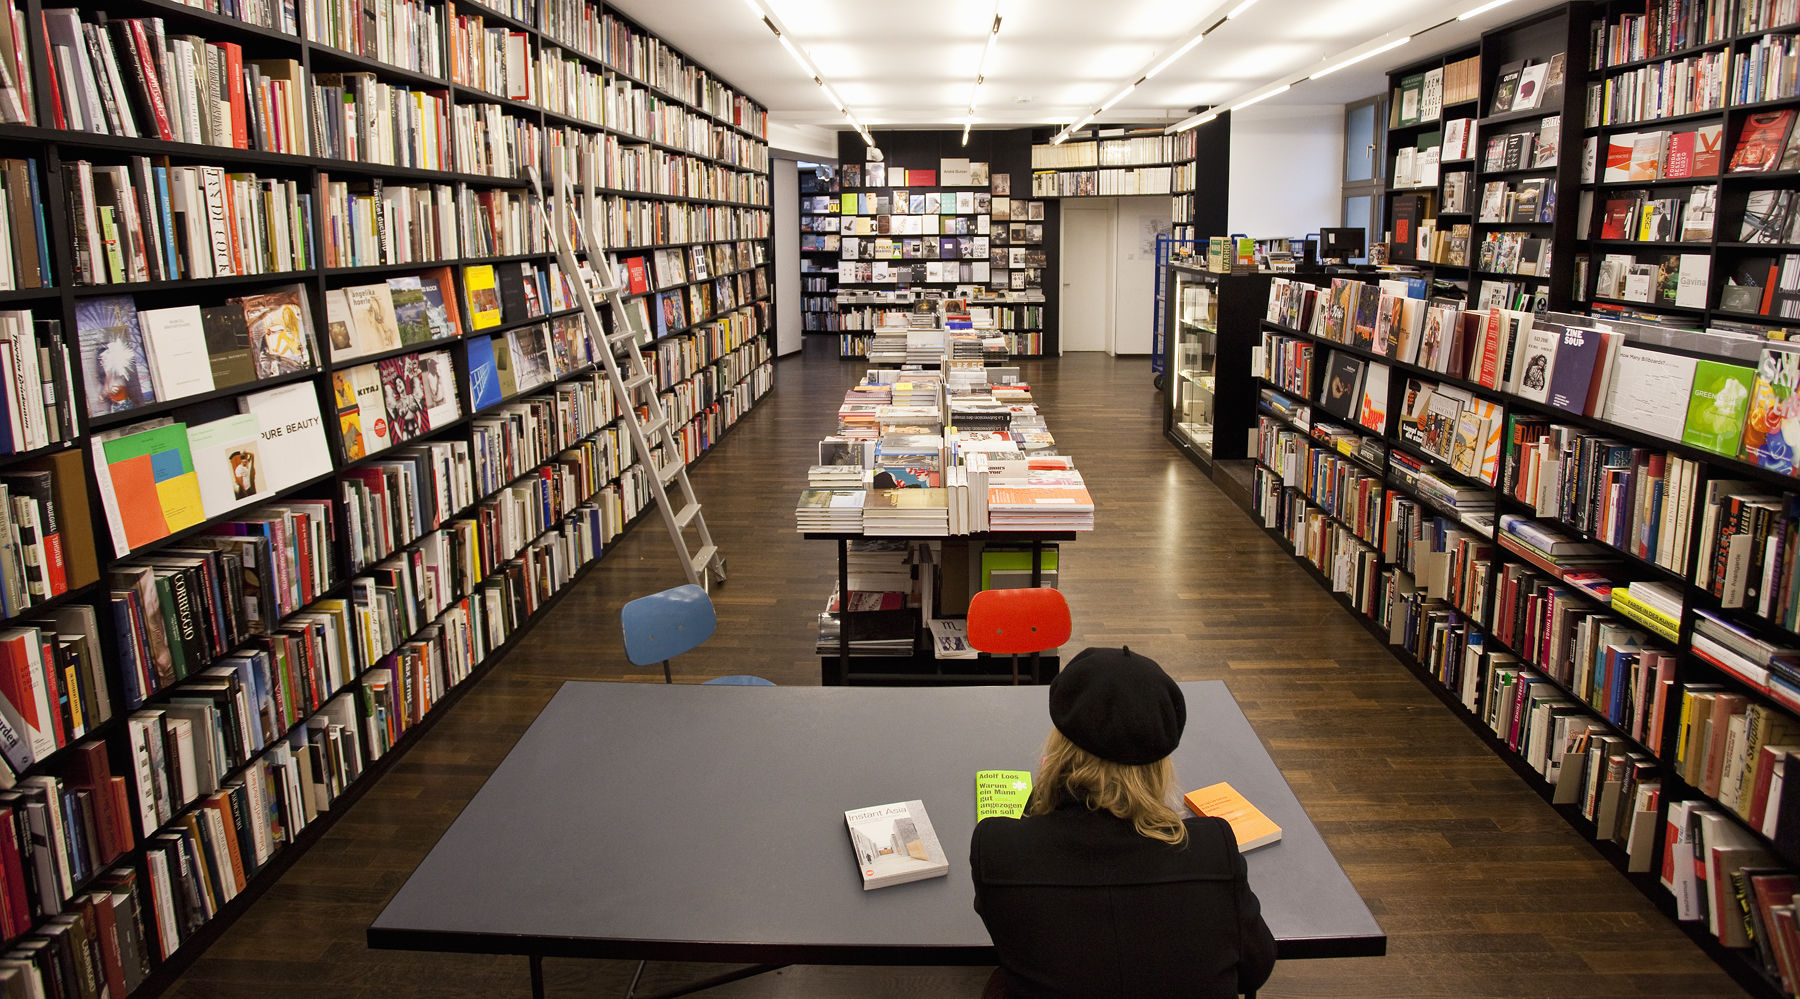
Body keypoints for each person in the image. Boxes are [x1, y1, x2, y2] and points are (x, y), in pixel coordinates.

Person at [970, 646, 1277, 999]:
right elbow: (1257, 966)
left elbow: (1004, 932)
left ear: (1057, 749)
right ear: (1160, 762)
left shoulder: (998, 849)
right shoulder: (1213, 850)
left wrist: (1041, 798)